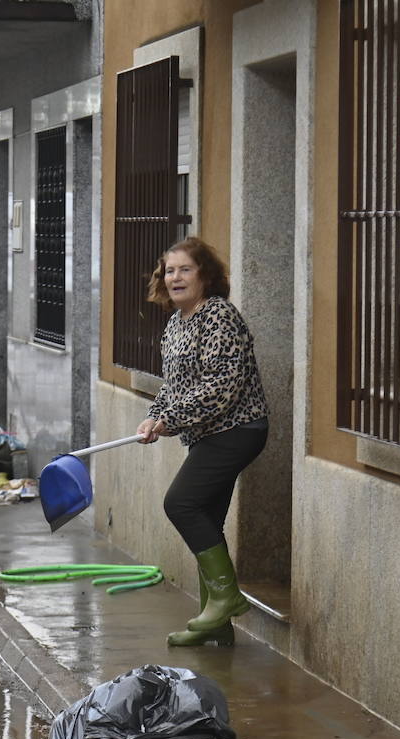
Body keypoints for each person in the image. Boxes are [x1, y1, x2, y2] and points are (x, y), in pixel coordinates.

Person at [136, 237, 269, 648]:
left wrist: (170, 419)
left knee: (181, 502)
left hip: (237, 431)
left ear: (205, 276)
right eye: (169, 269)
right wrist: (154, 415)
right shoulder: (175, 324)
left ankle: (226, 598)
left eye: (184, 269)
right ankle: (215, 622)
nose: (174, 277)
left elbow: (221, 388)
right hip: (206, 434)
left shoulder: (219, 316)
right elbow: (173, 387)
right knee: (206, 520)